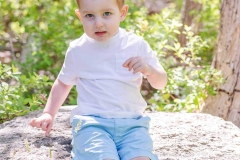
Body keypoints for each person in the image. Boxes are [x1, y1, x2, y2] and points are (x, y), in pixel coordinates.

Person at [30, 0, 167, 159]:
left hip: (133, 126)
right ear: (80, 16)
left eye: (107, 14)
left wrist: (149, 70)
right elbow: (63, 82)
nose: (99, 23)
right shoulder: (77, 50)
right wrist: (48, 113)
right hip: (90, 124)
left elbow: (161, 82)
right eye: (89, 15)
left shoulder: (135, 44)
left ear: (122, 13)